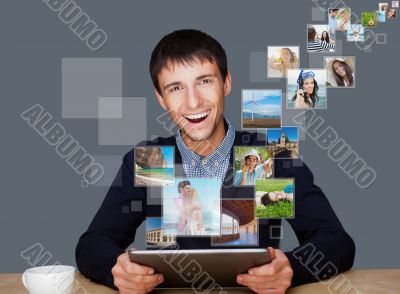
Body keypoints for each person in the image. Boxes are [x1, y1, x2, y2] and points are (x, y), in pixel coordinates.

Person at [76, 29, 355, 294]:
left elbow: (334, 240)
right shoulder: (153, 160)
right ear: (161, 99)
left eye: (204, 81)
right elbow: (92, 244)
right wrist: (117, 269)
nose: (193, 102)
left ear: (226, 83)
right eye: (176, 88)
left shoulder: (270, 157)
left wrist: (292, 268)